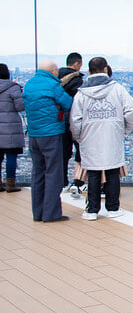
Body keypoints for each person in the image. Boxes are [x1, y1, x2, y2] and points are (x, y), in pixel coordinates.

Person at [70, 57, 133, 220]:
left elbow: (75, 120)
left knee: (93, 173)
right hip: (112, 135)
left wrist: (80, 137)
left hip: (89, 137)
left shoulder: (81, 93)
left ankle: (92, 210)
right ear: (106, 69)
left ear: (89, 71)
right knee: (113, 170)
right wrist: (124, 129)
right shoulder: (117, 89)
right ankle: (113, 207)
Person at [24, 60, 74, 222]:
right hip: (51, 134)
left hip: (34, 135)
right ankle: (51, 213)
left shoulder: (29, 84)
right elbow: (68, 104)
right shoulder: (53, 86)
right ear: (53, 71)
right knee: (53, 173)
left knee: (37, 173)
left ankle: (38, 213)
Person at [58, 52, 85, 197]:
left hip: (60, 119)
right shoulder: (78, 81)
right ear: (76, 64)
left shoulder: (55, 80)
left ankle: (62, 182)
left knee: (63, 152)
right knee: (81, 151)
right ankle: (79, 181)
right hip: (75, 119)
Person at [0, 64, 25, 193]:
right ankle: (10, 185)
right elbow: (20, 106)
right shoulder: (13, 88)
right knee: (11, 156)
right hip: (10, 128)